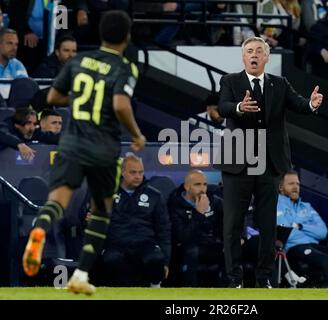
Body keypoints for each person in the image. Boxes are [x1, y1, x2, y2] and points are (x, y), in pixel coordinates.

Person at [21, 10, 146, 295]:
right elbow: (120, 105)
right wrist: (137, 134)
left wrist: (79, 96)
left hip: (72, 143)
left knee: (57, 202)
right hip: (103, 148)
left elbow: (51, 97)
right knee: (101, 211)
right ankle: (80, 274)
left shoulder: (77, 61)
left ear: (101, 34)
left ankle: (39, 230)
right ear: (126, 37)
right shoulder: (125, 66)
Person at [216, 36, 323, 288]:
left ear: (266, 57)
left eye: (258, 51)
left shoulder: (280, 84)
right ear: (244, 58)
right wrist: (240, 107)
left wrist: (311, 104)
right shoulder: (230, 81)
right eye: (249, 51)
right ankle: (235, 280)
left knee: (267, 225)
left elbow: (299, 104)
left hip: (268, 164)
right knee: (233, 224)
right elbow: (222, 107)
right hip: (237, 163)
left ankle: (264, 279)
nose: (253, 55)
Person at [102, 153, 171, 287]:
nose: (138, 176)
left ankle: (155, 288)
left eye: (140, 172)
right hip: (116, 243)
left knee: (156, 258)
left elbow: (164, 230)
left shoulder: (154, 195)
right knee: (111, 259)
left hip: (145, 243)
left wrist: (166, 261)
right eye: (133, 172)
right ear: (122, 172)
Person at [276, 170, 328, 288]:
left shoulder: (306, 207)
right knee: (324, 260)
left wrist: (301, 226)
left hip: (315, 245)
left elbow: (323, 232)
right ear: (281, 187)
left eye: (297, 184)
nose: (296, 187)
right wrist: (310, 231)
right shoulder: (276, 204)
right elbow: (286, 233)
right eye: (291, 184)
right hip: (294, 248)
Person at [167, 169, 225, 287]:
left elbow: (232, 218)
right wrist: (198, 213)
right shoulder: (175, 205)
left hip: (212, 244)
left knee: (231, 250)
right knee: (192, 252)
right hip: (188, 247)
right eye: (197, 184)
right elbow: (183, 237)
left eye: (204, 184)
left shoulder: (213, 200)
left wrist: (239, 237)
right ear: (187, 187)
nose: (202, 189)